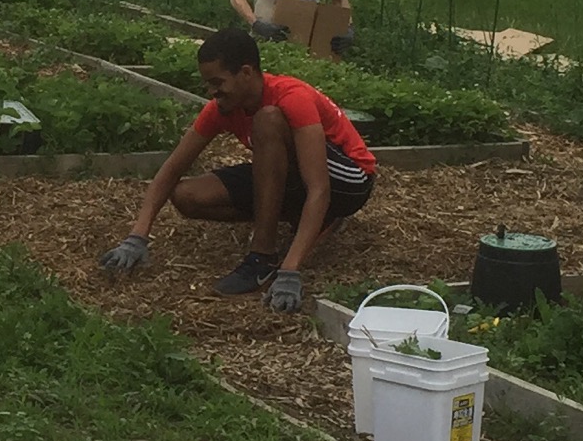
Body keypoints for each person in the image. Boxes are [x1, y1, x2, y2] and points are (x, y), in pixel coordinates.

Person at [96, 26, 377, 313]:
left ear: (246, 73)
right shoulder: (222, 108)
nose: (212, 92)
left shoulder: (290, 96)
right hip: (299, 177)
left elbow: (319, 187)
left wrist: (290, 271)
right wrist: (136, 237)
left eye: (217, 82)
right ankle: (305, 217)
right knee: (187, 195)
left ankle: (263, 256)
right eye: (207, 84)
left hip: (349, 177)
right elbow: (171, 171)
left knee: (268, 121)